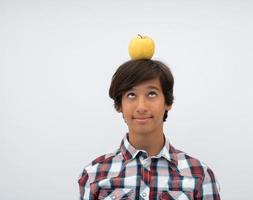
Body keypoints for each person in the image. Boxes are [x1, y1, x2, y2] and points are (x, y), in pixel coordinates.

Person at [77, 58, 221, 200]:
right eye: (131, 95)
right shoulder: (94, 174)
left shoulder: (200, 175)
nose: (141, 107)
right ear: (119, 105)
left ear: (167, 102)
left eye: (152, 94)